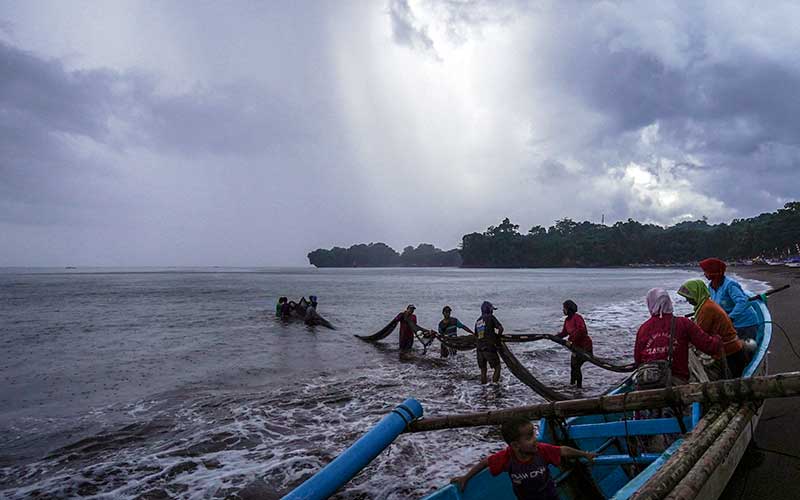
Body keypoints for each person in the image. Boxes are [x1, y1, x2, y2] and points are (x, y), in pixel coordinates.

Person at [451, 416, 596, 499]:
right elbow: (485, 463)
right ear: (515, 445)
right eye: (529, 437)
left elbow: (563, 450)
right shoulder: (507, 457)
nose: (535, 439)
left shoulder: (541, 450)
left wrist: (585, 454)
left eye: (534, 434)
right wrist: (466, 477)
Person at [634, 288, 723, 386]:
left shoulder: (643, 329)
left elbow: (638, 360)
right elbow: (710, 347)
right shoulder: (683, 323)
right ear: (669, 302)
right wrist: (717, 337)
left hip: (646, 382)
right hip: (676, 381)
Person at [677, 279, 746, 378]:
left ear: (697, 293)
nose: (688, 300)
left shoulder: (707, 309)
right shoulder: (705, 305)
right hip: (731, 348)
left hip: (729, 352)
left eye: (689, 297)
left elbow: (699, 335)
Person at [699, 258, 760, 341]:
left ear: (713, 272)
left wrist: (730, 318)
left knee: (744, 349)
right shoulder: (711, 286)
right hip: (732, 325)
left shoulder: (730, 285)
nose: (704, 274)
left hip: (745, 324)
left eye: (706, 271)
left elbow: (742, 302)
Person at [556, 300, 593, 388]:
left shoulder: (577, 317)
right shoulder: (567, 320)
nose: (563, 310)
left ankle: (579, 388)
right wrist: (556, 337)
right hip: (575, 347)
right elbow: (564, 333)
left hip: (584, 347)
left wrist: (570, 340)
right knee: (573, 367)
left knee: (576, 366)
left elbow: (581, 330)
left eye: (564, 308)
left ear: (569, 309)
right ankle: (572, 386)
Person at [475, 301, 503, 384]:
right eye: (492, 309)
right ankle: (495, 386)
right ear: (489, 310)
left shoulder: (478, 321)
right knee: (497, 367)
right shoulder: (491, 317)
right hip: (489, 348)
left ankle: (483, 388)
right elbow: (501, 329)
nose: (492, 311)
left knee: (483, 371)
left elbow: (477, 335)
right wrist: (497, 338)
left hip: (479, 349)